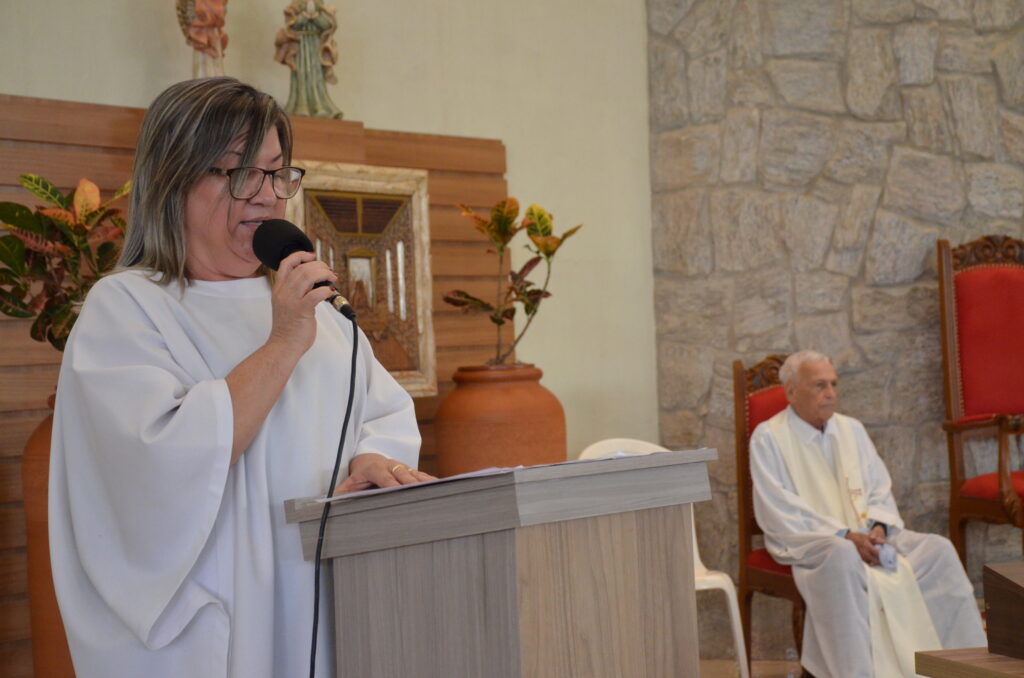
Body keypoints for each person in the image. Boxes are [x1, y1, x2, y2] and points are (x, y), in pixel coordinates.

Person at [48, 77, 431, 678]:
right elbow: (159, 461)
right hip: (217, 634)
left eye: (278, 174)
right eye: (238, 174)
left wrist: (372, 459)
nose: (267, 196)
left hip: (332, 609)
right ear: (173, 181)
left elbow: (381, 413)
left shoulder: (313, 309)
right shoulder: (126, 308)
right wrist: (281, 343)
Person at [749, 350, 985, 678]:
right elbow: (780, 508)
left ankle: (965, 668)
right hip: (817, 544)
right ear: (791, 391)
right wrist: (846, 535)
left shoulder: (851, 429)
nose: (831, 393)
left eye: (833, 384)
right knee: (843, 558)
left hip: (868, 536)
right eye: (819, 385)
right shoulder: (768, 438)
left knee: (937, 552)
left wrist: (877, 527)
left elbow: (878, 487)